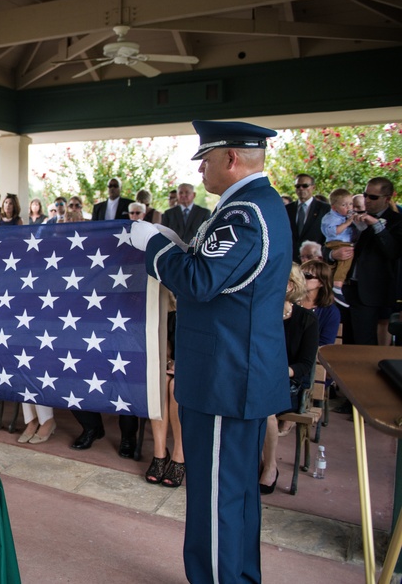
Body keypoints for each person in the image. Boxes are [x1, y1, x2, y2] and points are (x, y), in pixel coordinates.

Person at [129, 120, 291, 583]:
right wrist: (182, 247)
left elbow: (200, 281)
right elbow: (216, 272)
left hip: (226, 374)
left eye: (206, 159)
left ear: (231, 159)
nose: (200, 170)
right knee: (233, 495)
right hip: (232, 370)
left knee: (217, 497)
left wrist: (158, 246)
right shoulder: (250, 206)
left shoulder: (244, 213)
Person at [259, 264, 319, 494]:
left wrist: (278, 372)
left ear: (290, 286)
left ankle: (271, 465)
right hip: (258, 376)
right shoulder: (262, 312)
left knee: (265, 409)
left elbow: (305, 365)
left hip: (289, 382)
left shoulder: (307, 320)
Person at [337, 177, 402, 346]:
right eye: (365, 195)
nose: (367, 200)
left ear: (387, 198)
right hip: (348, 288)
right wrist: (333, 254)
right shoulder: (357, 218)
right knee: (347, 342)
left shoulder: (396, 221)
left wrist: (377, 226)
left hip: (372, 292)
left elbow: (393, 251)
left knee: (363, 342)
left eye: (373, 197)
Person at [146, 292, 184, 488]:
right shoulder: (171, 315)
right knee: (159, 383)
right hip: (174, 367)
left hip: (199, 371)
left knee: (175, 387)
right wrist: (170, 362)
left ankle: (180, 455)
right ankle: (160, 453)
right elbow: (166, 350)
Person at [320, 188, 358, 295]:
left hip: (345, 243)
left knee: (338, 265)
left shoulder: (348, 216)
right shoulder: (330, 218)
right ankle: (337, 284)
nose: (349, 207)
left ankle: (333, 283)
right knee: (346, 260)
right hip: (337, 243)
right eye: (344, 205)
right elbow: (332, 232)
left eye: (351, 204)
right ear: (334, 207)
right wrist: (347, 223)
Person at [286, 173, 330, 262]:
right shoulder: (287, 209)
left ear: (313, 187)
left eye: (305, 186)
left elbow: (328, 235)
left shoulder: (324, 209)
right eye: (298, 186)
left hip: (314, 260)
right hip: (291, 260)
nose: (301, 189)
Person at [299, 259, 341, 348]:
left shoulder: (330, 312)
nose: (300, 278)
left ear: (321, 283)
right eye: (299, 274)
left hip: (311, 357)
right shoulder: (289, 302)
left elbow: (325, 344)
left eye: (307, 276)